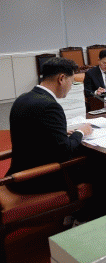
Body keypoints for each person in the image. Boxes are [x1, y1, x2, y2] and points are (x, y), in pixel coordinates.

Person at [8, 57, 93, 193]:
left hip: (19, 173)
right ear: (61, 79)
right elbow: (65, 151)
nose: (71, 87)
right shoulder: (50, 106)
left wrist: (59, 133)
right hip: (39, 179)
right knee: (103, 167)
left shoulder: (23, 98)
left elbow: (33, 133)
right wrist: (81, 132)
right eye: (72, 82)